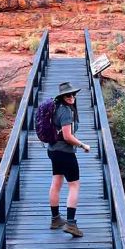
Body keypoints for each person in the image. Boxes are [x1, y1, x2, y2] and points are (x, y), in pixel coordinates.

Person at [48, 80, 90, 237]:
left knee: (56, 182)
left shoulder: (55, 108)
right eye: (68, 95)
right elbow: (67, 136)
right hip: (65, 153)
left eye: (73, 94)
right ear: (62, 97)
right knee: (74, 185)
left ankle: (55, 219)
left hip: (53, 151)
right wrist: (83, 145)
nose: (71, 97)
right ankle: (71, 224)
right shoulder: (65, 111)